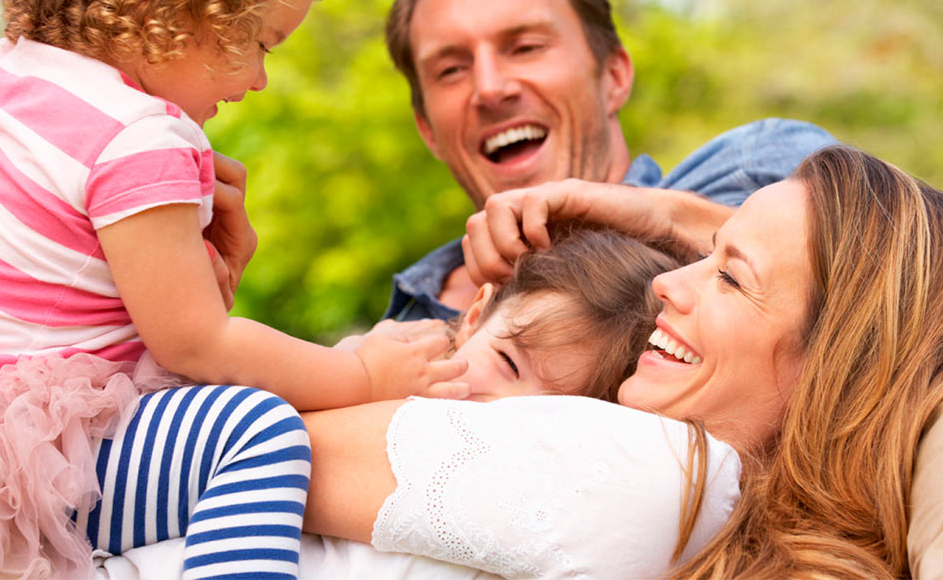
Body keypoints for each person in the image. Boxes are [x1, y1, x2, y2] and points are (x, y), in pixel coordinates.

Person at [0, 0, 466, 577]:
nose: (260, 81)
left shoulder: (0, 70)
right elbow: (198, 340)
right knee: (258, 430)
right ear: (178, 12)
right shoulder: (141, 138)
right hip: (37, 459)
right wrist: (362, 373)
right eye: (261, 43)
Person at [299, 145, 943, 578]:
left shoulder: (662, 473)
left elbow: (228, 443)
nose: (669, 284)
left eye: (731, 278)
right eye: (706, 250)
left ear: (833, 371)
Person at [381, 0, 836, 322]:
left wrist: (653, 219)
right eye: (451, 70)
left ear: (614, 76)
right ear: (427, 130)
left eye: (526, 47)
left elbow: (870, 269)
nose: (489, 88)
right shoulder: (404, 325)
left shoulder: (762, 168)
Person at [443, 227, 680, 403]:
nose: (507, 405)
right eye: (510, 364)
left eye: (553, 407)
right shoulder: (407, 373)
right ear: (474, 318)